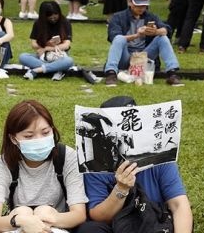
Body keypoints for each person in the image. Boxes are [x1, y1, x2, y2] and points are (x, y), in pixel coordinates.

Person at [76, 96, 193, 233]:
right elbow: (99, 216)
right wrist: (121, 190)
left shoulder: (160, 158)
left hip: (154, 222)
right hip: (117, 225)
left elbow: (179, 205)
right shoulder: (95, 165)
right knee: (89, 229)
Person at [0, 100, 88, 233]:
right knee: (23, 211)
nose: (39, 140)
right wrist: (22, 220)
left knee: (44, 210)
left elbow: (79, 214)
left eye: (45, 133)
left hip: (55, 226)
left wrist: (44, 220)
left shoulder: (67, 156)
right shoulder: (4, 163)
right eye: (29, 136)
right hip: (19, 227)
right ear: (13, 139)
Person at [104, 0, 184, 87]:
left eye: (144, 5)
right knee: (119, 38)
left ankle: (172, 73)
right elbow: (114, 38)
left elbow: (166, 29)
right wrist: (137, 35)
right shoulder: (118, 17)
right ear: (130, 3)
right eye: (138, 5)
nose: (141, 8)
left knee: (163, 38)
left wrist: (156, 32)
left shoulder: (151, 16)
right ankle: (111, 73)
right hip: (125, 57)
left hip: (144, 56)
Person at [19, 1, 74, 81]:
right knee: (23, 57)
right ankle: (56, 69)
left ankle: (36, 70)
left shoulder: (65, 22)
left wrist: (47, 48)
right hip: (43, 56)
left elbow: (66, 45)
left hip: (59, 55)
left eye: (56, 16)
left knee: (69, 61)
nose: (53, 19)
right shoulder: (38, 23)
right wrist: (45, 45)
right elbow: (34, 44)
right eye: (50, 17)